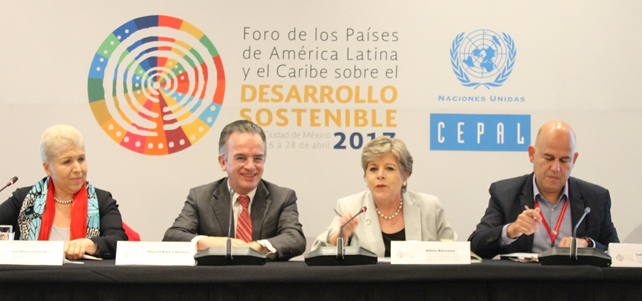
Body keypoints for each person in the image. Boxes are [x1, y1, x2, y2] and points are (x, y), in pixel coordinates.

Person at [0, 125, 127, 260]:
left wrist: (90, 244)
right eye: (67, 162)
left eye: (81, 159)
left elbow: (118, 240)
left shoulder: (101, 200)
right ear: (47, 168)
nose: (78, 169)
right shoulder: (24, 199)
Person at [468, 120, 619, 259]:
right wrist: (511, 231)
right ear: (532, 154)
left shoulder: (596, 198)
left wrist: (588, 245)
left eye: (564, 160)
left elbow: (618, 254)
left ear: (574, 160)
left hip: (576, 285)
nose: (555, 168)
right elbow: (474, 247)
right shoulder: (504, 194)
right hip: (523, 284)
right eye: (548, 158)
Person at [163, 119, 306, 260]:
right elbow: (173, 236)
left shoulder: (282, 197)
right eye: (241, 158)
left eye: (257, 158)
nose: (251, 166)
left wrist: (257, 247)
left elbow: (295, 239)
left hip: (263, 280)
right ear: (223, 162)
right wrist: (215, 243)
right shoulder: (201, 197)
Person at [312, 136, 457, 257]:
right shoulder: (350, 207)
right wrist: (340, 237)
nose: (380, 175)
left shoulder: (430, 207)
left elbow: (455, 254)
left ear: (405, 176)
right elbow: (317, 252)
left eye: (389, 168)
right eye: (373, 169)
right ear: (366, 176)